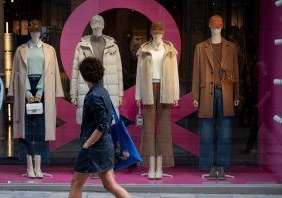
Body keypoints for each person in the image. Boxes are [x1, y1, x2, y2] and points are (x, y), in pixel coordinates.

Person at [8, 19, 64, 179]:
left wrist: (42, 92)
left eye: (37, 31)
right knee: (26, 131)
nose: (35, 34)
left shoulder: (49, 50)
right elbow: (16, 74)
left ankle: (38, 167)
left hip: (43, 92)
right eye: (32, 31)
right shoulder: (21, 50)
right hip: (25, 92)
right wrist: (26, 92)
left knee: (40, 131)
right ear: (29, 32)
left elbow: (52, 72)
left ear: (41, 32)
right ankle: (29, 167)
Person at [68, 57, 130, 198]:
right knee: (110, 184)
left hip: (94, 147)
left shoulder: (94, 95)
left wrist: (87, 144)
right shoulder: (102, 91)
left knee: (76, 182)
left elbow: (102, 124)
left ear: (84, 75)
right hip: (104, 145)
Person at [191, 15, 240, 180]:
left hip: (225, 92)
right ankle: (208, 165)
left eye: (219, 26)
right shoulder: (201, 47)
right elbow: (196, 73)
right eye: (214, 26)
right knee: (206, 129)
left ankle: (222, 166)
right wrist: (195, 95)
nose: (216, 29)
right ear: (209, 27)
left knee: (225, 130)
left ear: (223, 27)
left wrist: (236, 94)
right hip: (206, 92)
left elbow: (235, 73)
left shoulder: (231, 47)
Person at [135, 22, 180, 179]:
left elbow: (175, 73)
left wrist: (175, 95)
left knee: (163, 129)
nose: (157, 36)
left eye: (159, 33)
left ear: (163, 33)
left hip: (165, 89)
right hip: (148, 88)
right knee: (148, 129)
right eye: (154, 33)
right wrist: (138, 95)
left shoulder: (169, 50)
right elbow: (139, 74)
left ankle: (160, 167)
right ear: (151, 34)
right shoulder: (144, 50)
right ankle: (150, 167)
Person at [70, 15, 123, 125]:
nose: (97, 29)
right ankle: (90, 142)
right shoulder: (81, 46)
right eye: (95, 27)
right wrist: (73, 95)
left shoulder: (113, 46)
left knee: (106, 123)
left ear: (103, 26)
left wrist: (120, 94)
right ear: (91, 26)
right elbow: (75, 72)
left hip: (108, 89)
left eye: (99, 27)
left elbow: (119, 72)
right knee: (89, 124)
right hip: (87, 89)